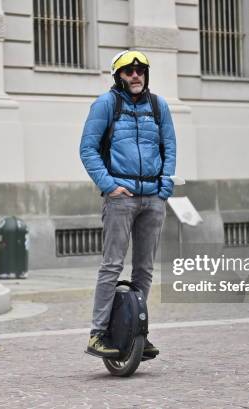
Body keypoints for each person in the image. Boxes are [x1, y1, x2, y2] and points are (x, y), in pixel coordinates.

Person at [79, 50, 177, 358]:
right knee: (112, 265)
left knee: (145, 269)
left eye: (140, 70)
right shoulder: (106, 104)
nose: (135, 75)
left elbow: (170, 147)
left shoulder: (159, 107)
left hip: (153, 199)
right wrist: (110, 186)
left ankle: (137, 332)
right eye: (128, 71)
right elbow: (88, 149)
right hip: (121, 199)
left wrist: (165, 187)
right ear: (118, 76)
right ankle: (98, 333)